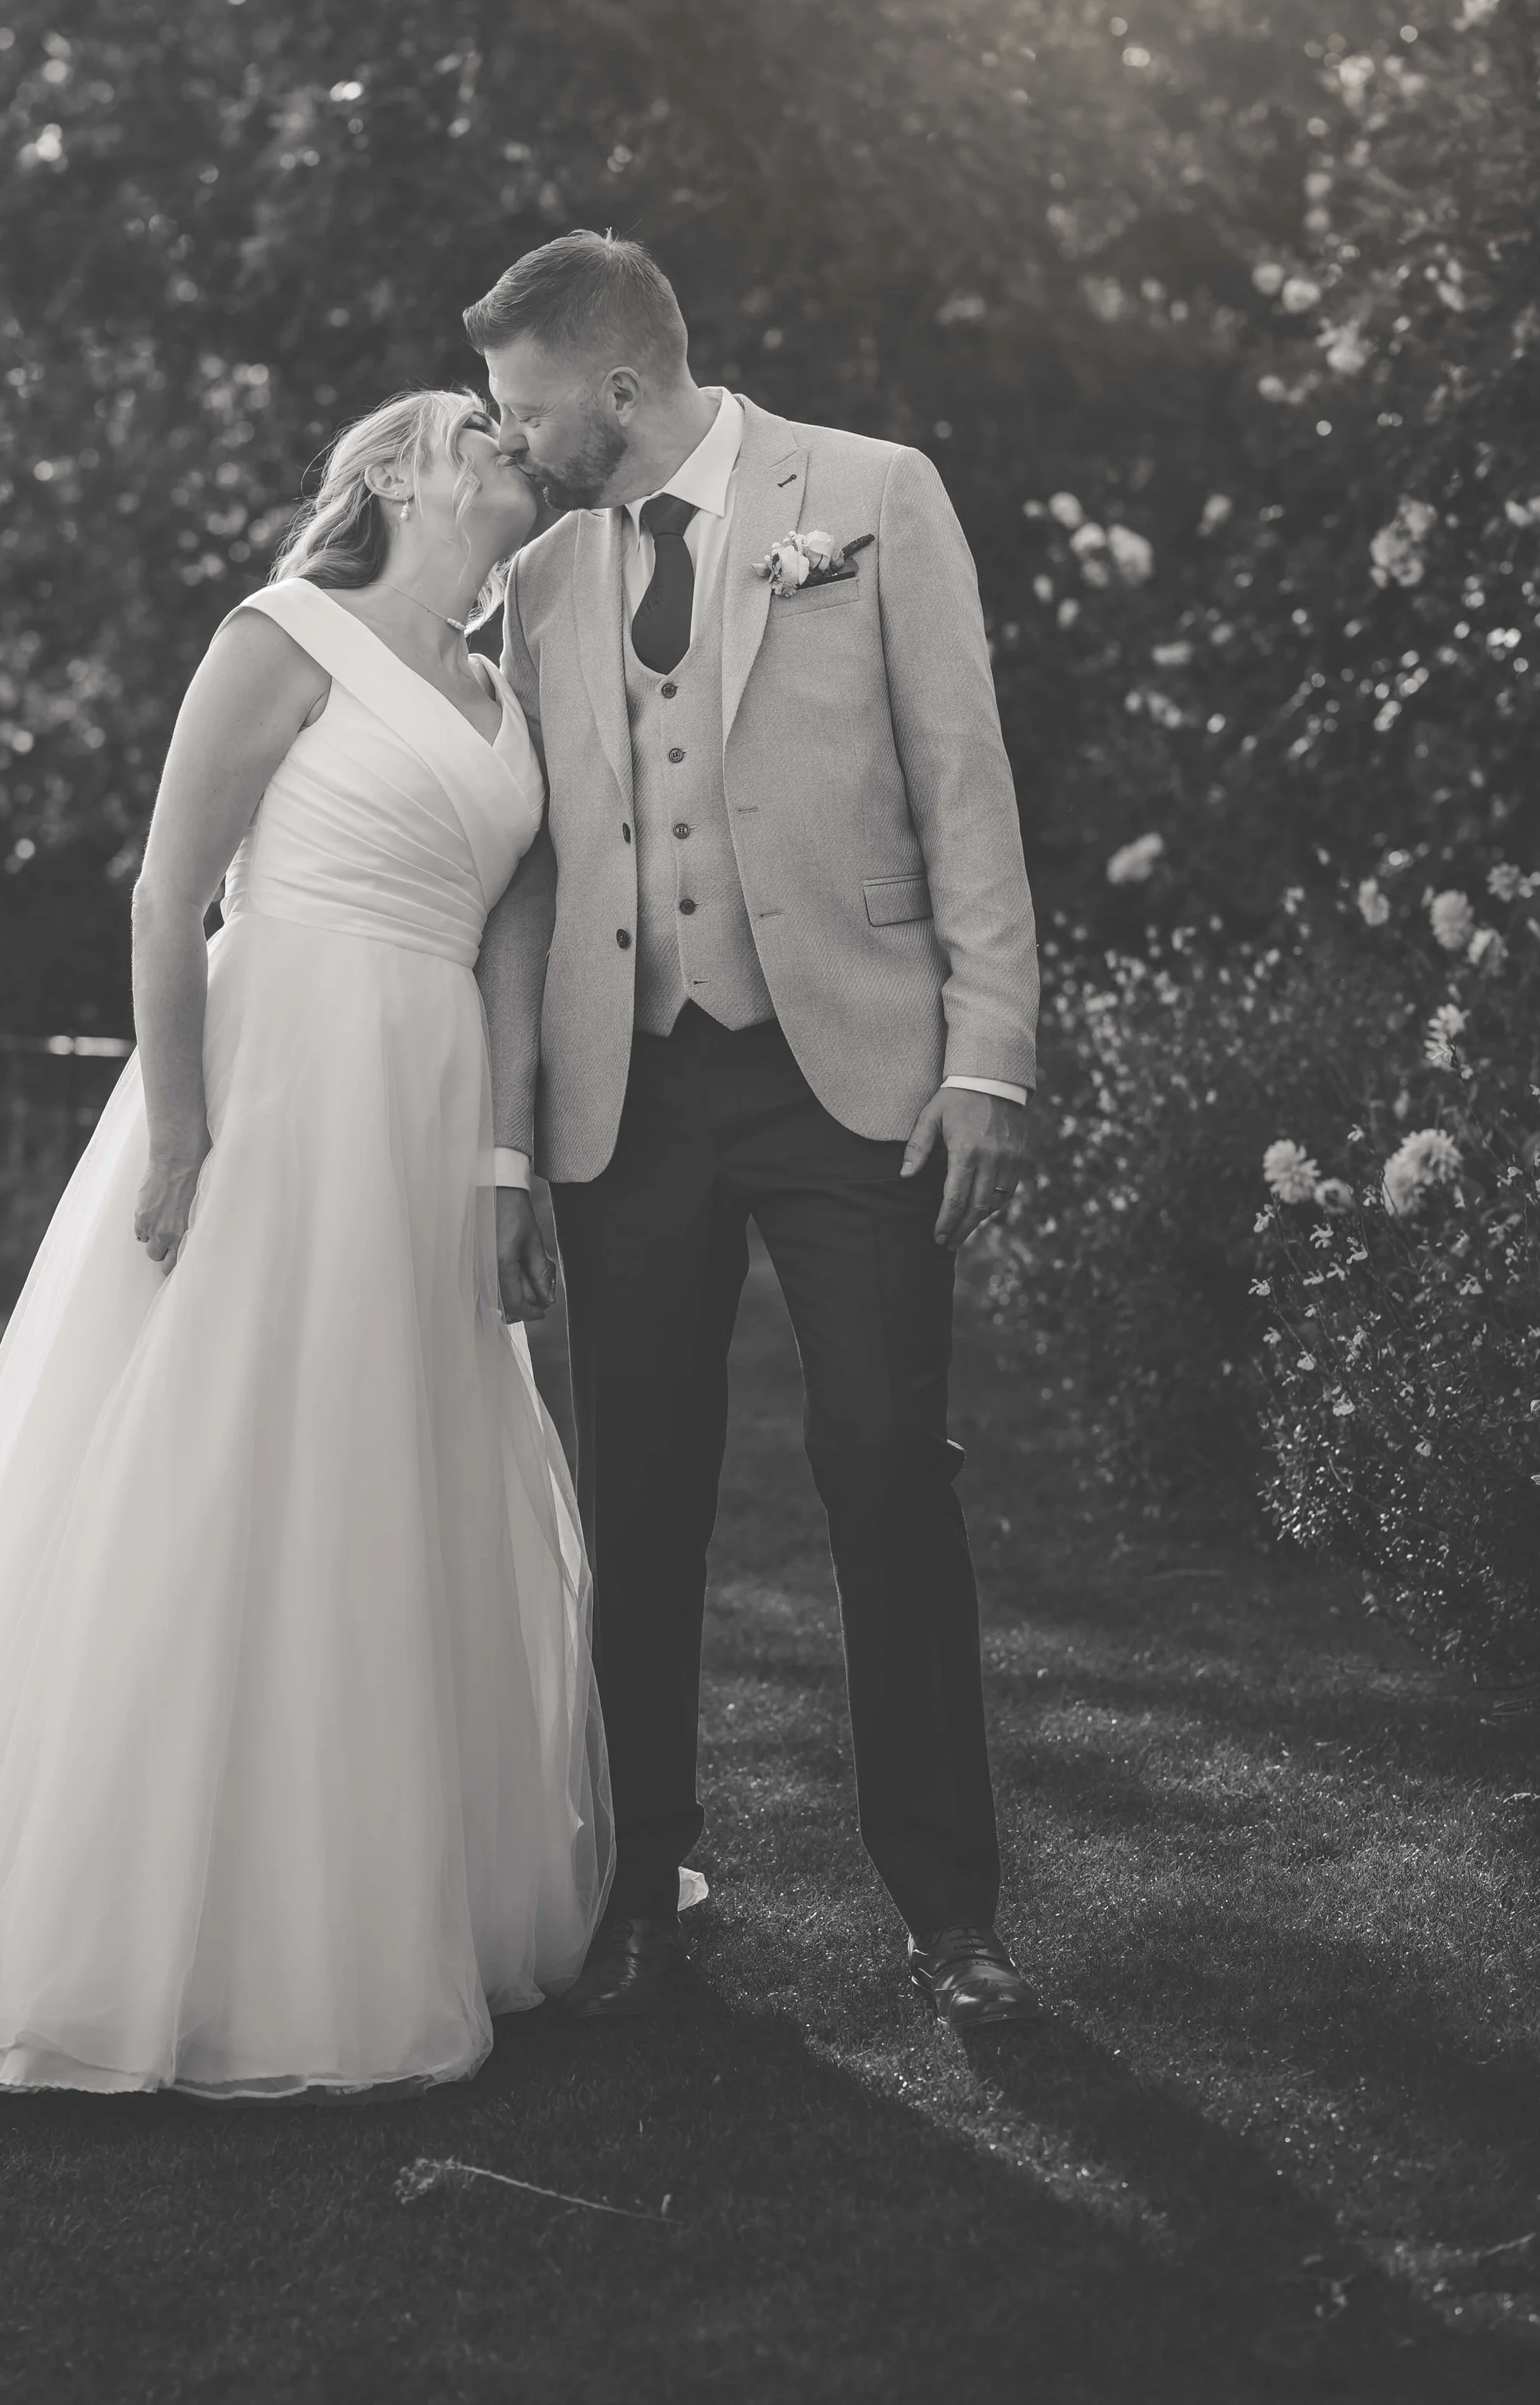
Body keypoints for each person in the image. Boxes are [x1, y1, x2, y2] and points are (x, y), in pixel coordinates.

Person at [0, 391, 611, 2109]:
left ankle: (384, 1887)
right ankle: (151, 1924)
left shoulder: (503, 685)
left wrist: (506, 1154)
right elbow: (167, 892)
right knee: (218, 1465)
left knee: (392, 1477)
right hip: (279, 1077)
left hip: (429, 1107)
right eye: (473, 422)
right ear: (389, 471)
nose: (507, 436)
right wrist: (177, 1125)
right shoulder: (279, 631)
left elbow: (515, 924)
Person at [467, 233, 1041, 2031]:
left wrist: (986, 1052)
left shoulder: (868, 495)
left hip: (848, 1068)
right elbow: (524, 857)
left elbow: (962, 771)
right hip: (624, 1091)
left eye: (522, 403)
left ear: (617, 387)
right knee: (636, 1500)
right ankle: (643, 1889)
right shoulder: (543, 574)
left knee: (884, 1469)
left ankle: (949, 1915)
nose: (509, 437)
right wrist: (505, 1138)